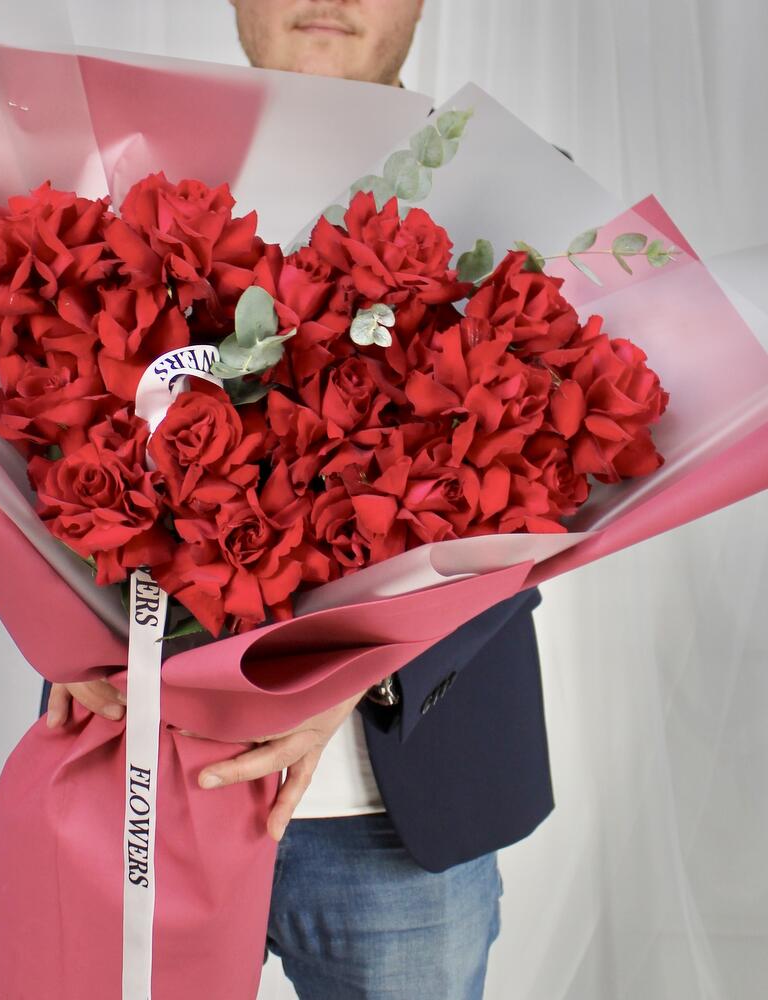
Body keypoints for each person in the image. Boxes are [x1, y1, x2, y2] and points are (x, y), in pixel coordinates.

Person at [40, 3, 553, 997]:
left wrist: (353, 669)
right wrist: (59, 622)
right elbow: (34, 430)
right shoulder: (118, 175)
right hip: (142, 787)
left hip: (399, 824)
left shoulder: (518, 191)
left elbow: (554, 498)